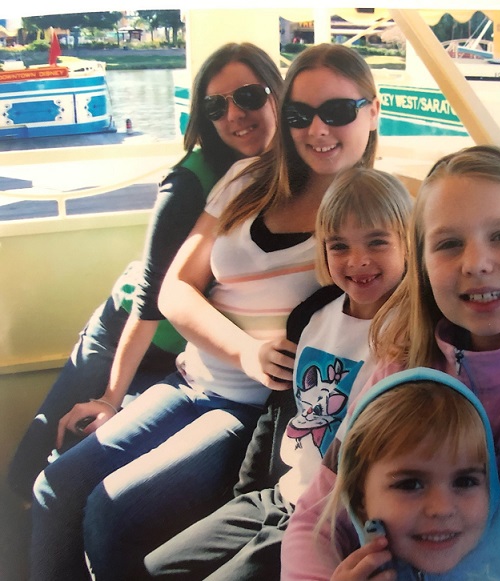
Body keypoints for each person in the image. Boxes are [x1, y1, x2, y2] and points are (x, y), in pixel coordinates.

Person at [29, 43, 380, 581]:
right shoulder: (246, 179)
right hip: (188, 380)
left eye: (337, 112)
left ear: (372, 111)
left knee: (111, 510)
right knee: (55, 485)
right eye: (299, 114)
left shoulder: (370, 223)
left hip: (246, 409)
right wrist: (244, 348)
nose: (317, 130)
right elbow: (174, 290)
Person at [281, 145, 500, 581]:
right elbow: (315, 520)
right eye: (449, 244)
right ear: (425, 267)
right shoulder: (400, 368)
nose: (476, 264)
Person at [7, 42, 283, 502]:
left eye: (250, 96)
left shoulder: (283, 177)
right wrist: (112, 397)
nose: (235, 114)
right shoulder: (192, 181)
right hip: (128, 334)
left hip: (181, 351)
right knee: (47, 450)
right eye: (217, 106)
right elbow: (152, 299)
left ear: (278, 93)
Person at [144, 167, 411, 579]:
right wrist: (247, 493)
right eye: (339, 246)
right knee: (156, 568)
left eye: (377, 242)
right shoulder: (314, 314)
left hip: (330, 518)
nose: (357, 260)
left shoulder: (407, 335)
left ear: (408, 244)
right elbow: (282, 410)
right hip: (278, 494)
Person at [325, 367, 500, 580]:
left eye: (465, 481)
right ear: (359, 499)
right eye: (410, 484)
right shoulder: (363, 573)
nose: (441, 508)